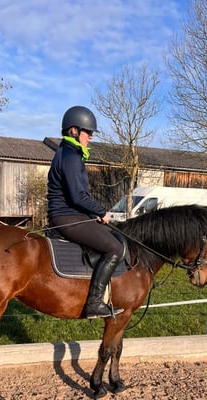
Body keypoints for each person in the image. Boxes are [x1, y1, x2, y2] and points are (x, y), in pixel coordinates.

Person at [47, 105, 124, 318]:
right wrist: (101, 212)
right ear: (74, 130)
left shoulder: (71, 153)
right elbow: (77, 196)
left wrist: (94, 214)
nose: (90, 137)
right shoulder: (71, 157)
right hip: (66, 216)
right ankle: (95, 302)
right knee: (115, 248)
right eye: (87, 132)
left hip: (72, 214)